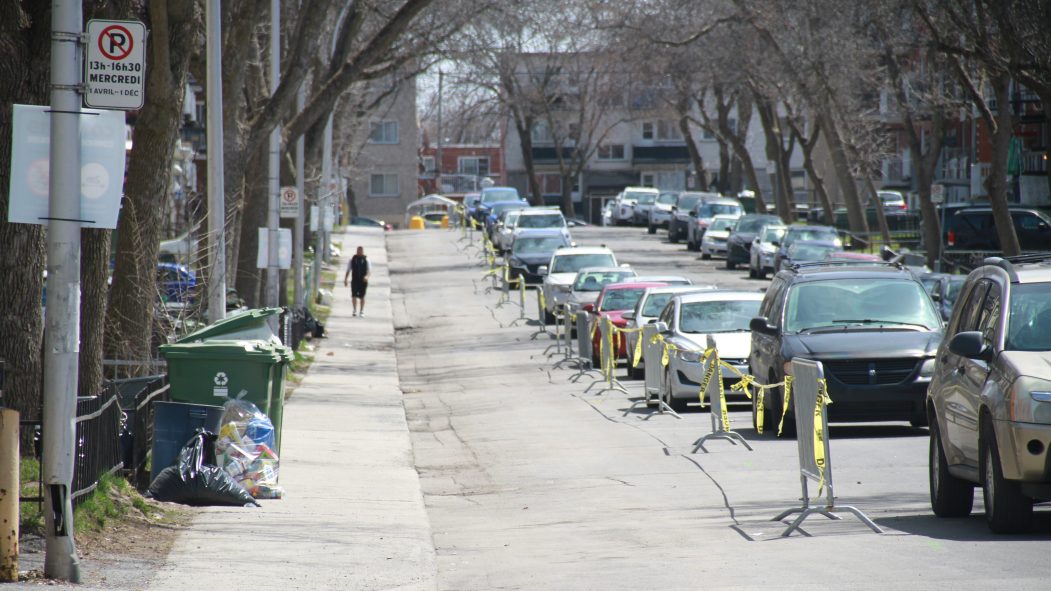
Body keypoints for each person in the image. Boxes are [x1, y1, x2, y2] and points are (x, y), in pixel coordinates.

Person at [343, 246, 371, 317]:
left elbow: (369, 270)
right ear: (356, 251)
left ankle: (361, 311)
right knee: (354, 295)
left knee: (362, 296)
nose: (359, 252)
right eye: (358, 251)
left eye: (361, 251)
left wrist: (366, 277)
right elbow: (348, 270)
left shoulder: (366, 260)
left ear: (363, 251)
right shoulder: (352, 259)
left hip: (363, 281)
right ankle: (354, 310)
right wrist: (346, 279)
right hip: (355, 280)